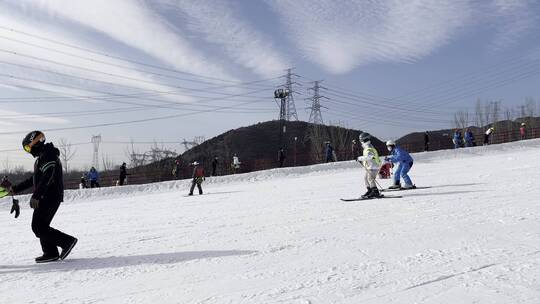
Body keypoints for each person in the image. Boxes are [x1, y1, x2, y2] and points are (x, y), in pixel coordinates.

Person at [8, 131, 77, 263]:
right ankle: (50, 252)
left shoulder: (48, 155)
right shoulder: (43, 157)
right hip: (47, 195)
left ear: (35, 143)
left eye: (28, 147)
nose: (28, 151)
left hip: (49, 196)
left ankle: (67, 241)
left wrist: (37, 195)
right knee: (41, 226)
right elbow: (34, 179)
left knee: (38, 227)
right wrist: (15, 189)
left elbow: (48, 176)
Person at [356, 133, 382, 198]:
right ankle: (370, 190)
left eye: (361, 140)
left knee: (370, 179)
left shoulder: (369, 147)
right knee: (366, 178)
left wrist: (360, 158)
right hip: (370, 166)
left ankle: (375, 192)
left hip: (374, 166)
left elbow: (370, 156)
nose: (360, 141)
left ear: (363, 139)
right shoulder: (367, 146)